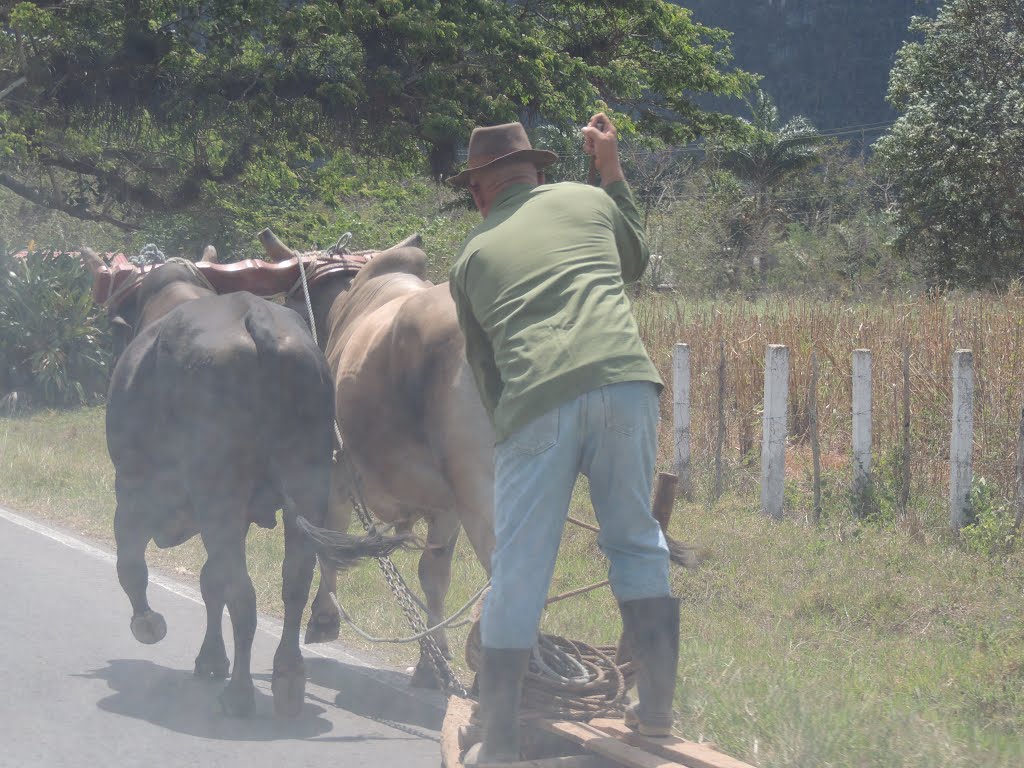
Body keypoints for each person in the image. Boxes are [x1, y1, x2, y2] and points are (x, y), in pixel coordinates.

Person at [448, 114, 680, 765]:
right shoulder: (589, 200)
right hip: (629, 383)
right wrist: (609, 167)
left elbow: (486, 370)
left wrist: (512, 435)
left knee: (520, 569)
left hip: (536, 403)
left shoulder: (471, 257)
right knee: (636, 541)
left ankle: (498, 744)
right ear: (540, 172)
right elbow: (633, 258)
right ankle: (656, 714)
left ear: (479, 191)